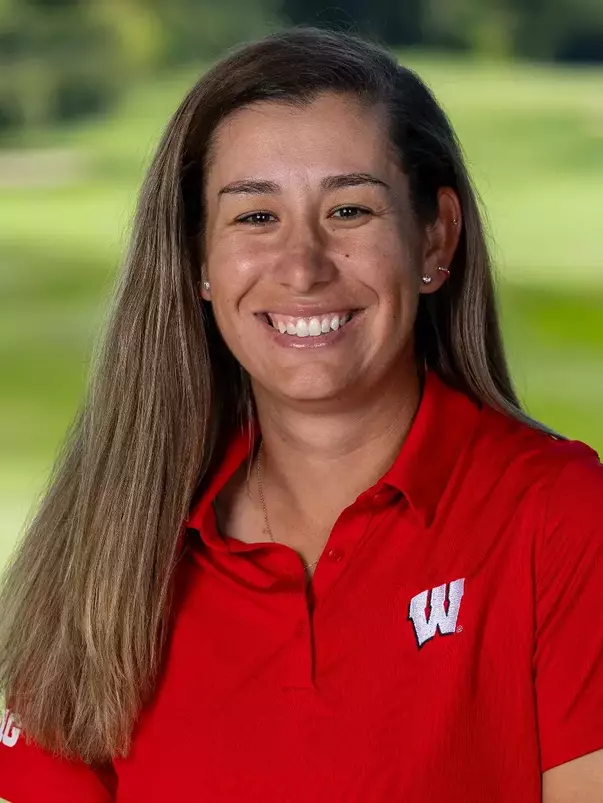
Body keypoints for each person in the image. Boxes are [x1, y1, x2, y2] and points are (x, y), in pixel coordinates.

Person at [0, 26, 601, 803]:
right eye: (255, 217)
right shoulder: (107, 548)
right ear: (198, 262)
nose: (302, 266)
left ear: (433, 235)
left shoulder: (562, 516)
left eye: (349, 209)